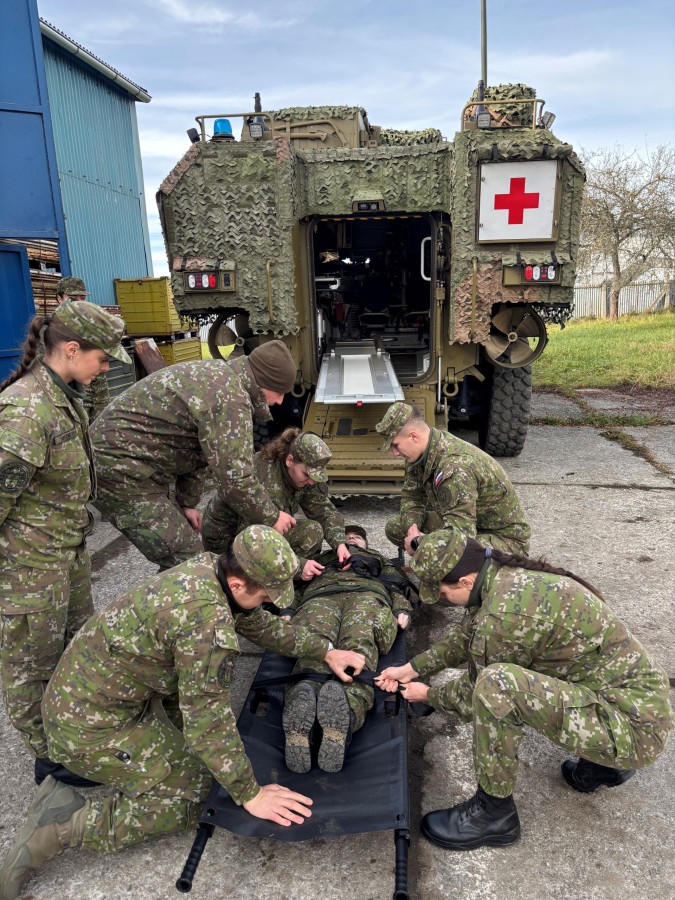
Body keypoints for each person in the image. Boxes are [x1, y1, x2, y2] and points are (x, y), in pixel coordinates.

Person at [0, 526, 365, 900]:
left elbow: (261, 625)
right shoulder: (205, 623)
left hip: (101, 698)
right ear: (238, 583)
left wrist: (325, 651)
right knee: (198, 796)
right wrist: (250, 793)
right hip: (88, 727)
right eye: (266, 594)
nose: (270, 601)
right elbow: (208, 722)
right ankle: (60, 827)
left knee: (204, 764)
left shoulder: (212, 570)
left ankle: (101, 783)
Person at [376, 529, 673, 851]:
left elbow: (474, 694)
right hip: (634, 702)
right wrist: (413, 668)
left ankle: (494, 814)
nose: (443, 600)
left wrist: (428, 695)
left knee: (497, 685)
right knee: (512, 676)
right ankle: (605, 765)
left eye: (444, 593)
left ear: (465, 581)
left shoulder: (504, 616)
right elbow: (467, 637)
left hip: (634, 730)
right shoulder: (501, 575)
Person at [0, 300, 131, 788]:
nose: (106, 369)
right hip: (30, 572)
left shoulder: (63, 395)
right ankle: (48, 757)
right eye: (103, 359)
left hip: (65, 558)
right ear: (72, 350)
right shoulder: (26, 411)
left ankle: (72, 736)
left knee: (75, 652)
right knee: (31, 670)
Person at [91, 340, 299, 570]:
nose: (280, 401)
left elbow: (197, 450)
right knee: (189, 561)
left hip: (131, 464)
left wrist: (187, 502)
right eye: (279, 392)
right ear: (262, 382)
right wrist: (272, 517)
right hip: (118, 469)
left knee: (188, 555)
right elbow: (235, 479)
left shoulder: (222, 378)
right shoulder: (230, 398)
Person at [281, 524, 414, 774]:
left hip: (367, 595)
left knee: (358, 647)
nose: (352, 539)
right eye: (347, 537)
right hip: (321, 596)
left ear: (366, 543)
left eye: (357, 537)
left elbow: (395, 585)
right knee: (314, 644)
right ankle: (302, 704)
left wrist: (401, 608)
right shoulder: (324, 558)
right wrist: (288, 610)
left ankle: (346, 715)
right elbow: (299, 585)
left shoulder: (378, 558)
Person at [375, 402, 530, 555]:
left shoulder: (455, 467)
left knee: (443, 555)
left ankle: (496, 568)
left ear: (413, 436)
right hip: (468, 525)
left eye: (395, 445)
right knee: (396, 528)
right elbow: (412, 496)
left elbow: (462, 536)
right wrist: (413, 528)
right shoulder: (418, 454)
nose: (395, 453)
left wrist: (420, 543)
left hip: (504, 540)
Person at [201, 428, 350, 574]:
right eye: (306, 475)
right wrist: (298, 566)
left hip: (256, 531)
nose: (311, 482)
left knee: (312, 531)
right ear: (289, 461)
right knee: (289, 550)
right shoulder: (268, 484)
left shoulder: (301, 472)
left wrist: (340, 543)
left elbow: (322, 509)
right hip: (228, 542)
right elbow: (252, 544)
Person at [55, 277, 113, 420]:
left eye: (82, 298)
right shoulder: (52, 329)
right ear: (60, 299)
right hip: (73, 398)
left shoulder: (91, 324)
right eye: (72, 298)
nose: (79, 302)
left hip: (99, 392)